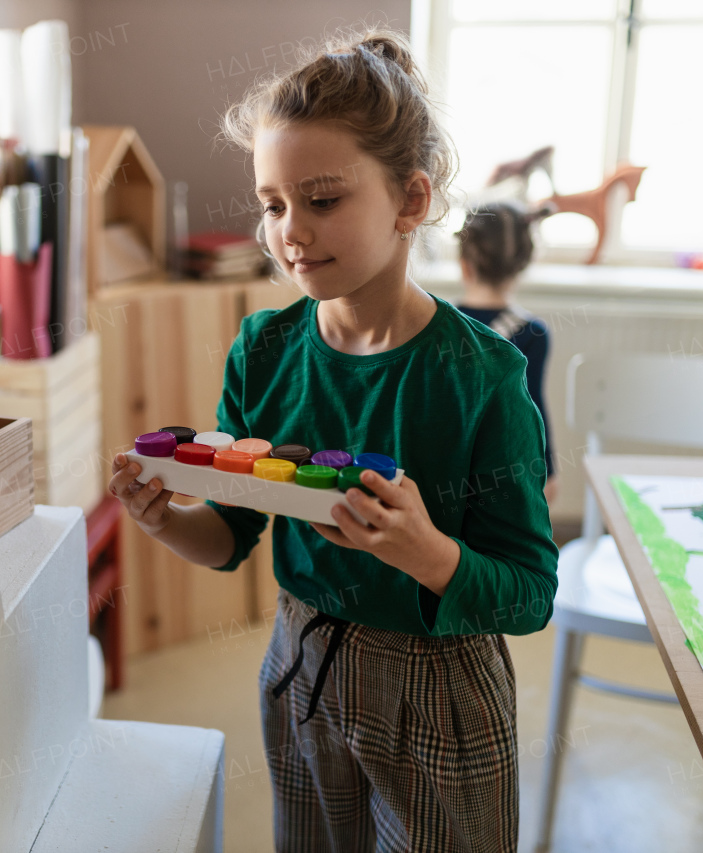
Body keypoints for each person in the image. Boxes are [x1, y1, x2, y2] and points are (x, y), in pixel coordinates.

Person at [107, 25, 557, 853]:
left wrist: (427, 551)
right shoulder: (264, 351)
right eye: (272, 204)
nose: (289, 231)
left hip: (440, 687)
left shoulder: (480, 376)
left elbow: (529, 593)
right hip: (301, 668)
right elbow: (231, 536)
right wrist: (166, 517)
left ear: (411, 202)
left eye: (321, 200)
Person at [455, 201, 559, 503]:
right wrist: (548, 470)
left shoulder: (437, 320)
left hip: (444, 466)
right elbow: (534, 409)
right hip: (504, 474)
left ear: (465, 263)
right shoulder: (532, 332)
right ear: (524, 262)